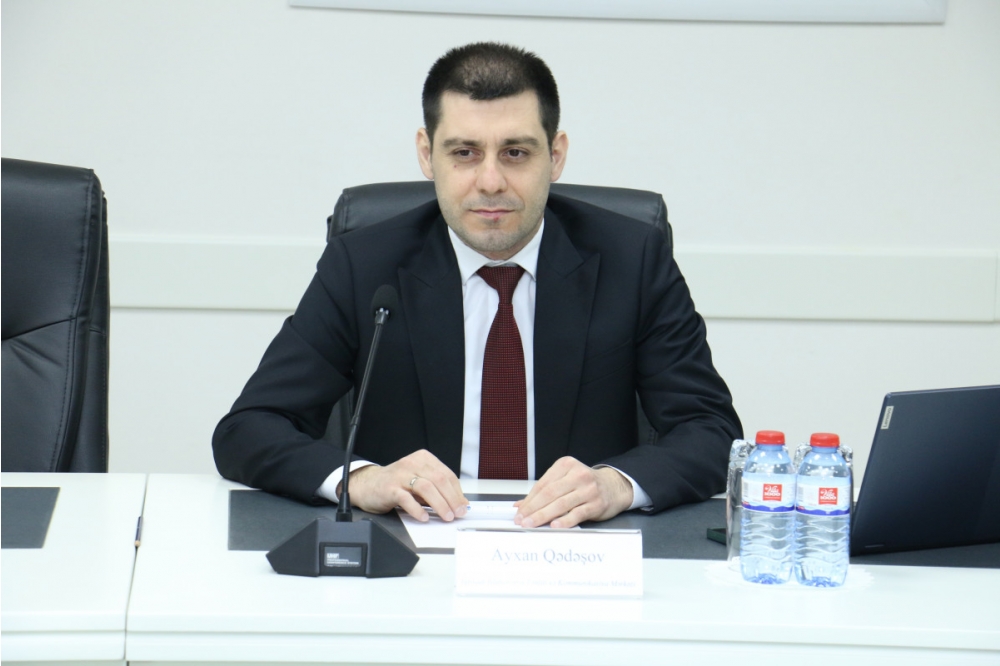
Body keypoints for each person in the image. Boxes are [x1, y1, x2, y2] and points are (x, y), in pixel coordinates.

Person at [213, 42, 741, 529]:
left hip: (577, 548)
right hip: (412, 546)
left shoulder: (633, 259)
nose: (490, 182)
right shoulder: (364, 266)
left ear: (556, 155)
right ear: (427, 154)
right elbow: (249, 429)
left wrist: (616, 486)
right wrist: (362, 479)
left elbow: (712, 431)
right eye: (464, 152)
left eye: (516, 153)